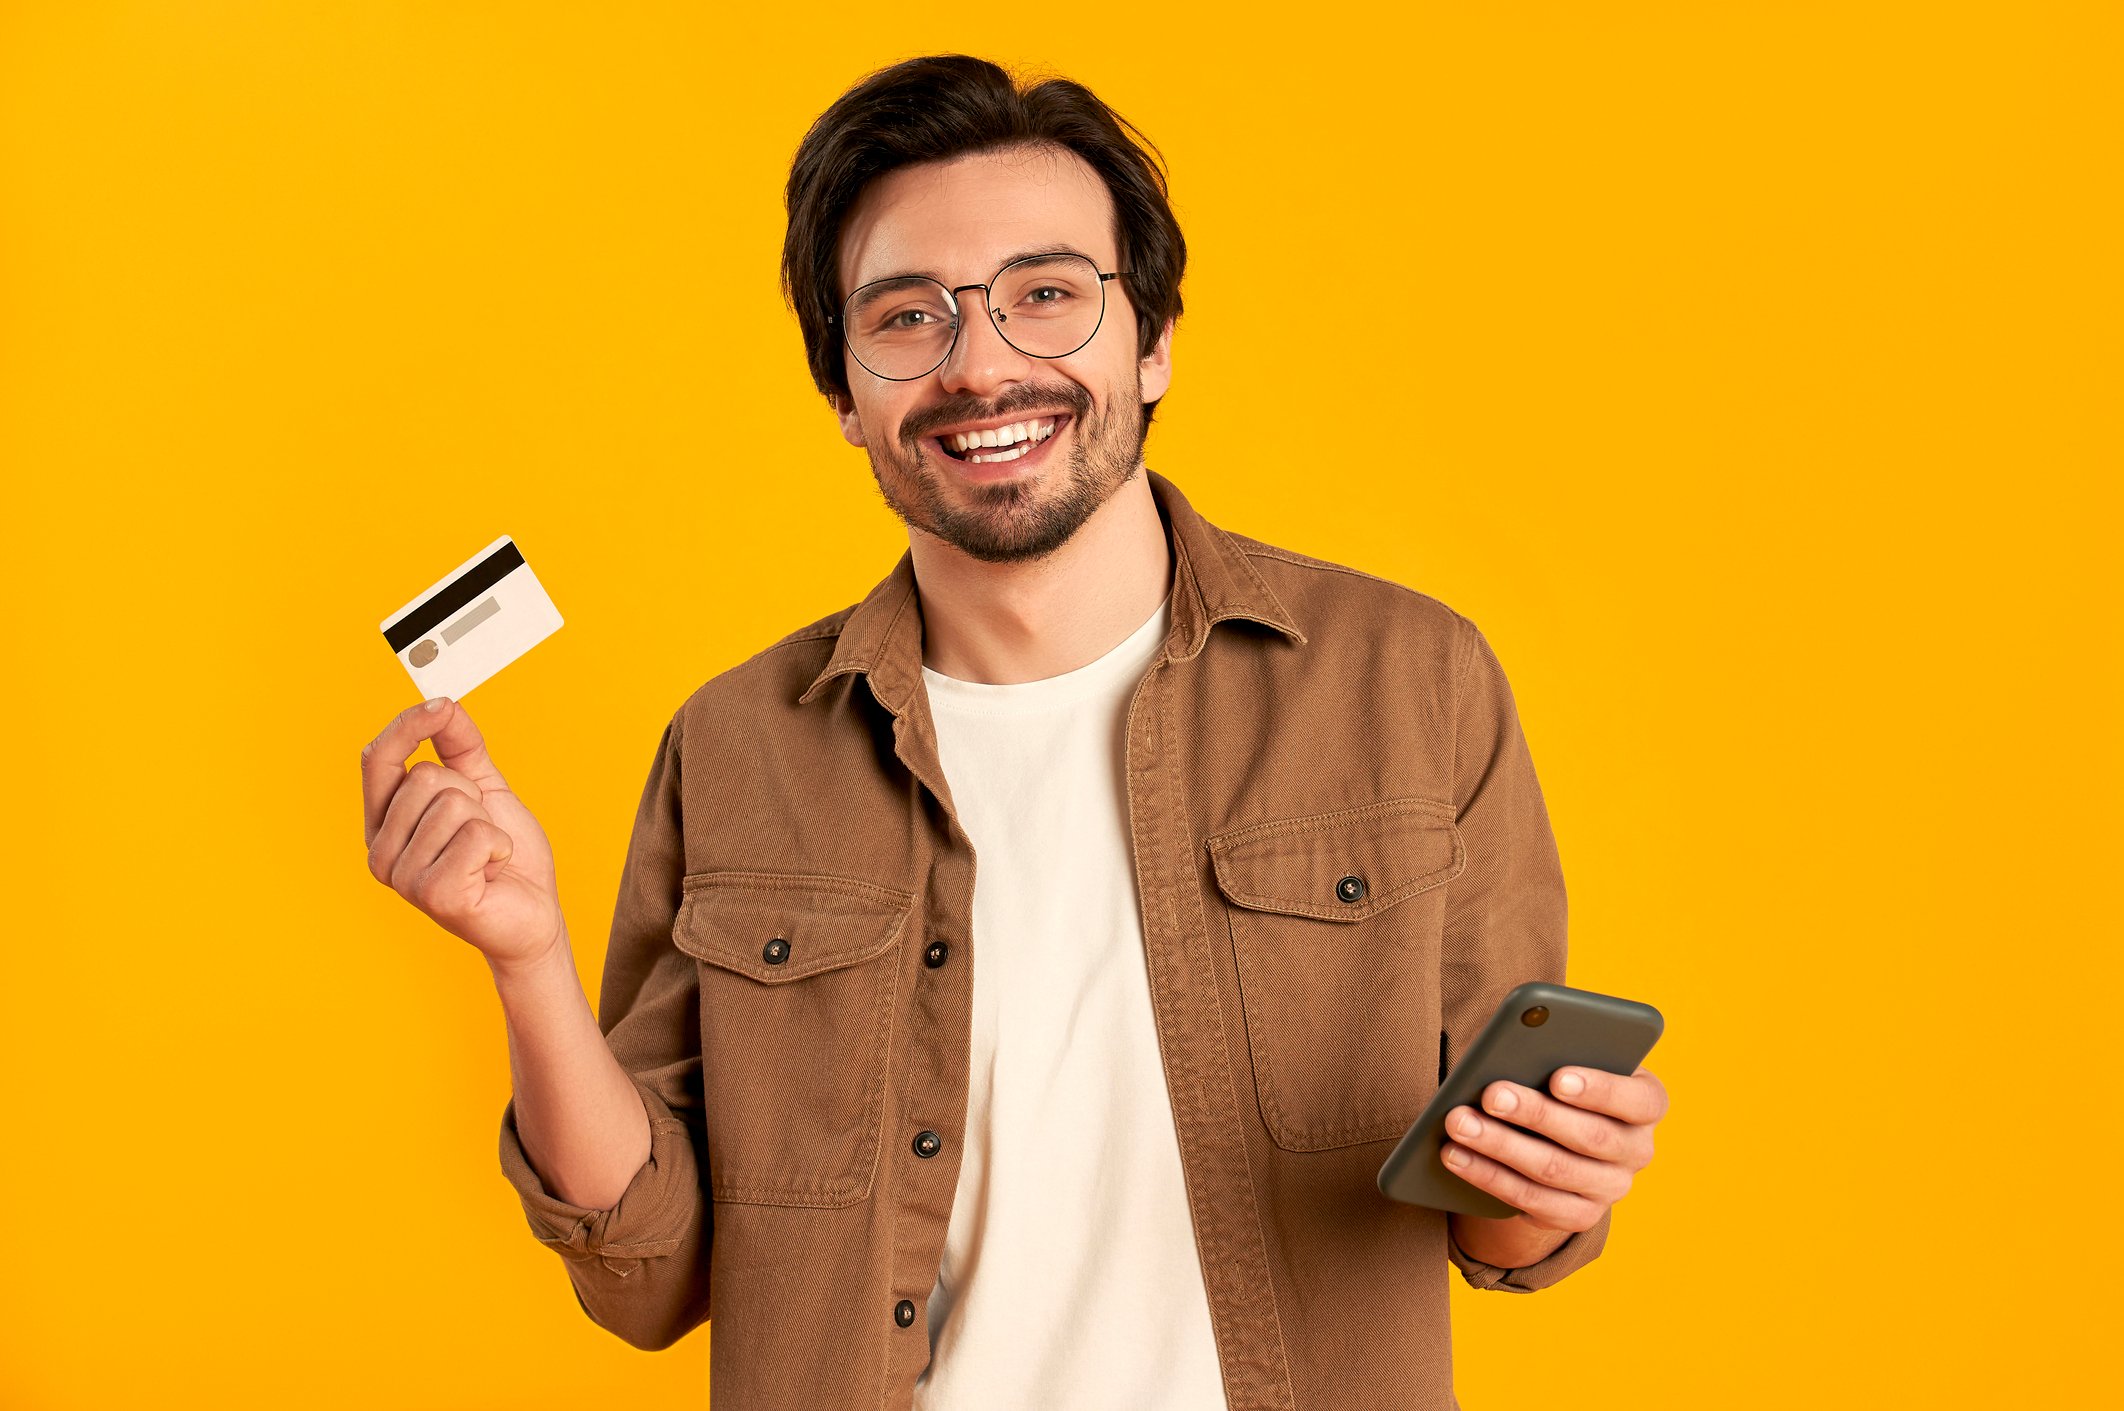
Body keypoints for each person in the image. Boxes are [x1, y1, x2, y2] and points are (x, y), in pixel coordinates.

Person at [360, 53, 1669, 1411]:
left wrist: (1551, 1178)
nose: (983, 367)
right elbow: (647, 1275)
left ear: (1151, 339)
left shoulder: (1410, 682)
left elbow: (1501, 1230)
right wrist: (527, 962)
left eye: (1046, 296)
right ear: (843, 392)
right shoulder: (737, 745)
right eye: (908, 318)